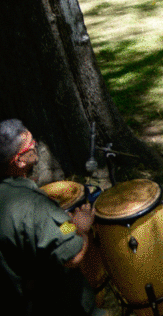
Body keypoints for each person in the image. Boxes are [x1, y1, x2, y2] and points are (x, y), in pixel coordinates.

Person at [0, 119, 96, 316]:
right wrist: (80, 228)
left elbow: (39, 241)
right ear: (19, 160)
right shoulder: (33, 206)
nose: (35, 146)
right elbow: (72, 256)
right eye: (31, 145)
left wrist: (69, 225)